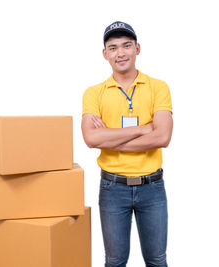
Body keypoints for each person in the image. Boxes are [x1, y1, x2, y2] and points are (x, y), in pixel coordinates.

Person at [81, 21, 173, 267]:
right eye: (113, 48)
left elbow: (162, 137)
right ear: (105, 54)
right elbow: (91, 139)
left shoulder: (158, 87)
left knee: (156, 260)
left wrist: (110, 138)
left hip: (152, 188)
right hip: (113, 187)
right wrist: (143, 129)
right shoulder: (94, 93)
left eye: (126, 45)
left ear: (137, 49)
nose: (120, 53)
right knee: (115, 261)